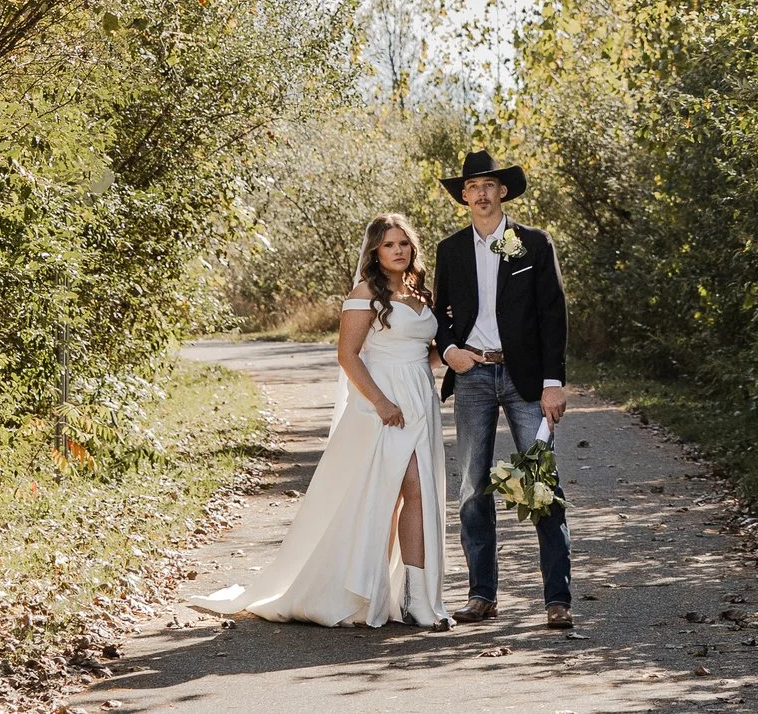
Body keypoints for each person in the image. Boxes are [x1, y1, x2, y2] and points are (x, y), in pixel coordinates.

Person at [192, 214, 449, 627]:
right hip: (381, 404)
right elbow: (347, 355)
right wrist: (382, 403)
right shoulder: (365, 293)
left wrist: (453, 356)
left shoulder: (422, 293)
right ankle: (370, 591)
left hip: (420, 397)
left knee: (415, 495)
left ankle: (415, 597)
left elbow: (424, 352)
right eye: (389, 245)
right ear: (375, 253)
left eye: (404, 243)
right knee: (394, 491)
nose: (399, 250)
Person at [432, 149, 574, 628]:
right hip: (472, 376)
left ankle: (557, 599)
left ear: (503, 191)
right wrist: (450, 349)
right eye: (474, 187)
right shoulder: (450, 250)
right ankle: (482, 596)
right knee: (474, 488)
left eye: (490, 185)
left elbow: (553, 314)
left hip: (526, 379)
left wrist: (553, 382)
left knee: (539, 484)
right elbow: (441, 315)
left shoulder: (531, 243)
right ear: (465, 196)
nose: (482, 193)